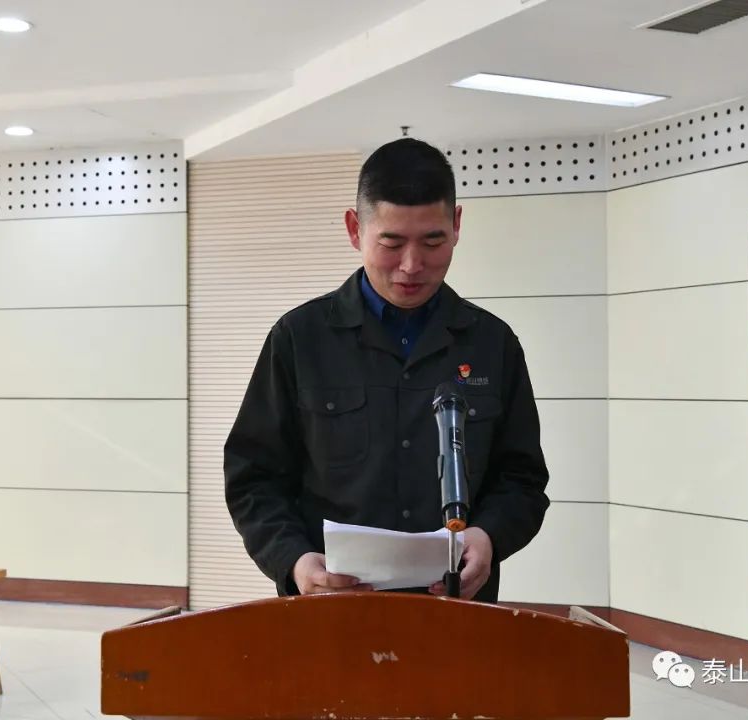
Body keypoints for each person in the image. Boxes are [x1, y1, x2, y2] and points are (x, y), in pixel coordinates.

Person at [224, 137, 550, 603]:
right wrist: (293, 560)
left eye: (433, 241)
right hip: (329, 612)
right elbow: (253, 479)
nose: (412, 265)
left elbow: (522, 480)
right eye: (391, 243)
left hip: (456, 612)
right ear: (354, 229)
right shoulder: (299, 339)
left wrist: (489, 535)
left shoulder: (492, 344)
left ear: (457, 225)